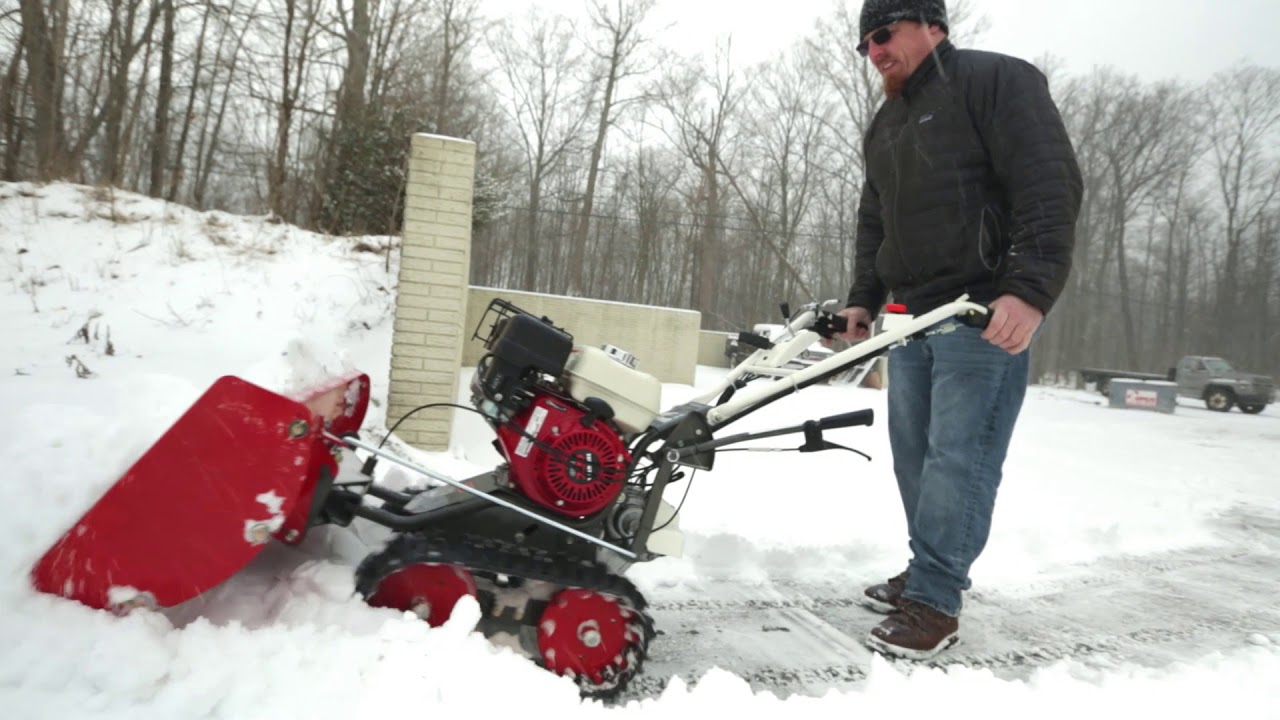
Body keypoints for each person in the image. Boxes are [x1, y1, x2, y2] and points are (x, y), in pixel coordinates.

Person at [834, 0, 1083, 660]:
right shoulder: (886, 123)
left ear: (931, 25)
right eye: (864, 44)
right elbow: (873, 220)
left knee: (958, 461)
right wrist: (864, 298)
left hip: (980, 314)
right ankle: (926, 569)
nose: (874, 51)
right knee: (915, 458)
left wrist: (1028, 292)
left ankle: (937, 599)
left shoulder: (997, 80)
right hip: (914, 317)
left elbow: (1048, 184)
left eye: (883, 34)